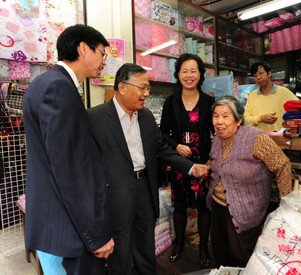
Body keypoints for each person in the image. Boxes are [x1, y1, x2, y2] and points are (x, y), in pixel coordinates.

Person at [87, 63, 208, 275]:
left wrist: (191, 168)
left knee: (145, 245)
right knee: (121, 247)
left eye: (148, 88)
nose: (146, 93)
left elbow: (162, 148)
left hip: (145, 188)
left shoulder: (146, 117)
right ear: (123, 87)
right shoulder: (95, 118)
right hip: (115, 193)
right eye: (142, 88)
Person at [23, 24, 114, 274]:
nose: (103, 61)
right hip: (65, 230)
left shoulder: (43, 83)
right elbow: (70, 169)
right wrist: (96, 236)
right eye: (102, 53)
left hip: (53, 224)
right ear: (83, 48)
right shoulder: (59, 88)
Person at [207, 95, 292, 268]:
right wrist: (206, 167)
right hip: (217, 207)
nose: (219, 121)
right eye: (216, 116)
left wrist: (286, 206)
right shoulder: (217, 139)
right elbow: (218, 163)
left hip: (246, 210)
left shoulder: (255, 138)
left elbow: (282, 165)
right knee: (220, 254)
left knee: (242, 258)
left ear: (238, 120)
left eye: (225, 116)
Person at [160, 53, 214, 269]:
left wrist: (212, 161)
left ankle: (202, 248)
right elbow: (162, 133)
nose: (189, 75)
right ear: (178, 74)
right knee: (180, 206)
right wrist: (176, 146)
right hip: (180, 163)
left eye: (193, 71)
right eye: (184, 71)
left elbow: (216, 132)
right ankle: (179, 244)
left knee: (204, 207)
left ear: (200, 74)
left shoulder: (209, 102)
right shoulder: (170, 102)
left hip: (203, 164)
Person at [244, 61, 298, 132]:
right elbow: (245, 120)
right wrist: (260, 118)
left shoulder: (284, 92)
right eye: (255, 75)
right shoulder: (252, 95)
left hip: (280, 139)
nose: (258, 77)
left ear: (269, 73)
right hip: (259, 139)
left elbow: (299, 110)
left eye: (261, 73)